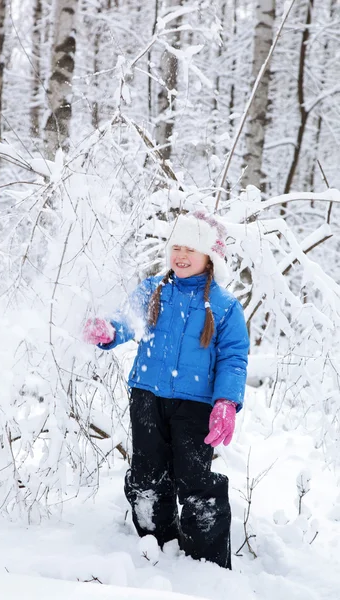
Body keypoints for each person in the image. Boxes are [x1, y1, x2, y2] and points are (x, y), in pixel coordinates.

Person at [83, 211, 249, 569]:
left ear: (210, 257)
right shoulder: (153, 289)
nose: (181, 256)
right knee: (147, 474)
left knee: (195, 479)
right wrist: (109, 332)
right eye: (177, 247)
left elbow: (234, 358)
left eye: (191, 248)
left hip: (195, 404)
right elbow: (127, 322)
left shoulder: (224, 305)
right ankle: (154, 547)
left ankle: (206, 563)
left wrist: (226, 401)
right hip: (147, 394)